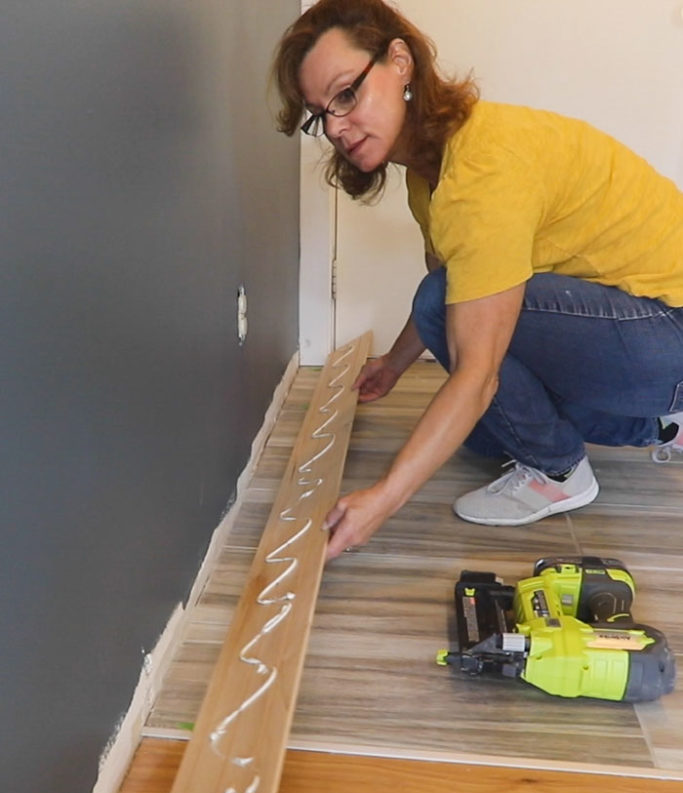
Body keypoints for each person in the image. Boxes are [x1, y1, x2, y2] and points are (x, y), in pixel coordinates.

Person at [273, 0, 683, 562]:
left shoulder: (481, 171)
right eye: (323, 114)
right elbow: (455, 285)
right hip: (647, 337)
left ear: (399, 62)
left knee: (458, 338)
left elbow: (475, 364)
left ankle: (560, 472)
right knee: (482, 433)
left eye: (347, 94)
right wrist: (393, 366)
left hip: (666, 330)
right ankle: (661, 425)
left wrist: (382, 501)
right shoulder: (430, 170)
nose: (338, 127)